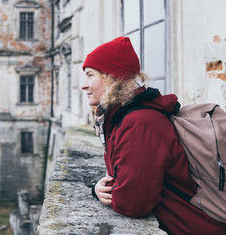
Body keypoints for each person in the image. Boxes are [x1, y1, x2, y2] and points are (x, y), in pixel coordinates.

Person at [81, 36, 226, 235]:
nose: (84, 85)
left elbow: (134, 202)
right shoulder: (123, 118)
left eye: (90, 75)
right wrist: (101, 188)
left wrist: (100, 194)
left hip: (195, 227)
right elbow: (125, 176)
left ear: (111, 77)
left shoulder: (139, 124)